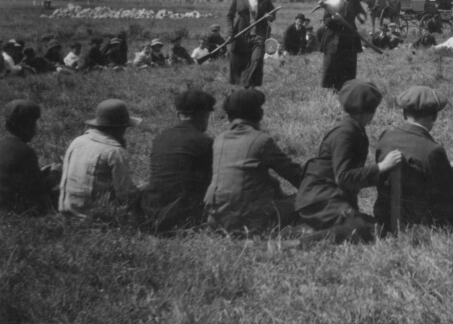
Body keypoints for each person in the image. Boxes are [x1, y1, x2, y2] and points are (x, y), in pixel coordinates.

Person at [295, 81, 403, 244]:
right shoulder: (345, 134)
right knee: (372, 230)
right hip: (320, 200)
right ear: (369, 111)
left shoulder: (353, 128)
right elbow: (344, 178)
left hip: (325, 197)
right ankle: (299, 242)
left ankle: (305, 229)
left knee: (372, 227)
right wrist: (382, 167)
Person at [205, 89, 304, 232]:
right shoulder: (261, 140)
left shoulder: (219, 140)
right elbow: (295, 175)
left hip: (216, 220)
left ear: (229, 116)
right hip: (251, 221)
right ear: (259, 114)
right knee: (304, 201)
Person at [372, 86, 453, 233]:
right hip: (418, 225)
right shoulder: (433, 150)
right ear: (434, 116)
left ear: (404, 113)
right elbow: (450, 202)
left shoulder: (385, 136)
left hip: (384, 217)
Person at [139, 90, 216, 232]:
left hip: (152, 211)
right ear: (204, 116)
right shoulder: (205, 142)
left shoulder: (160, 138)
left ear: (177, 114)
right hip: (185, 216)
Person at [58, 99, 141, 219]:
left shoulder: (78, 141)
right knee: (143, 191)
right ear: (120, 128)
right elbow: (125, 194)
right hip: (95, 216)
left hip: (67, 210)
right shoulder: (115, 151)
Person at [0, 100, 60, 214]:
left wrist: (41, 172)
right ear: (27, 126)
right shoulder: (25, 151)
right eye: (33, 124)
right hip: (15, 208)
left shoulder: (2, 143)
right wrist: (55, 174)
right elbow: (38, 190)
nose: (35, 129)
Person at [227, 0, 276, 88]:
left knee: (257, 60)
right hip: (241, 34)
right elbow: (230, 16)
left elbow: (273, 13)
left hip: (259, 34)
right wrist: (230, 33)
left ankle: (247, 85)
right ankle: (243, 85)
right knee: (240, 61)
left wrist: (270, 17)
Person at [318, 0, 366, 90]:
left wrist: (361, 16)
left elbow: (362, 15)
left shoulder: (353, 1)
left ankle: (347, 89)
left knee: (348, 66)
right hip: (334, 38)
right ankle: (332, 90)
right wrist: (333, 19)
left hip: (349, 38)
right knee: (332, 64)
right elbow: (326, 20)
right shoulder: (332, 0)